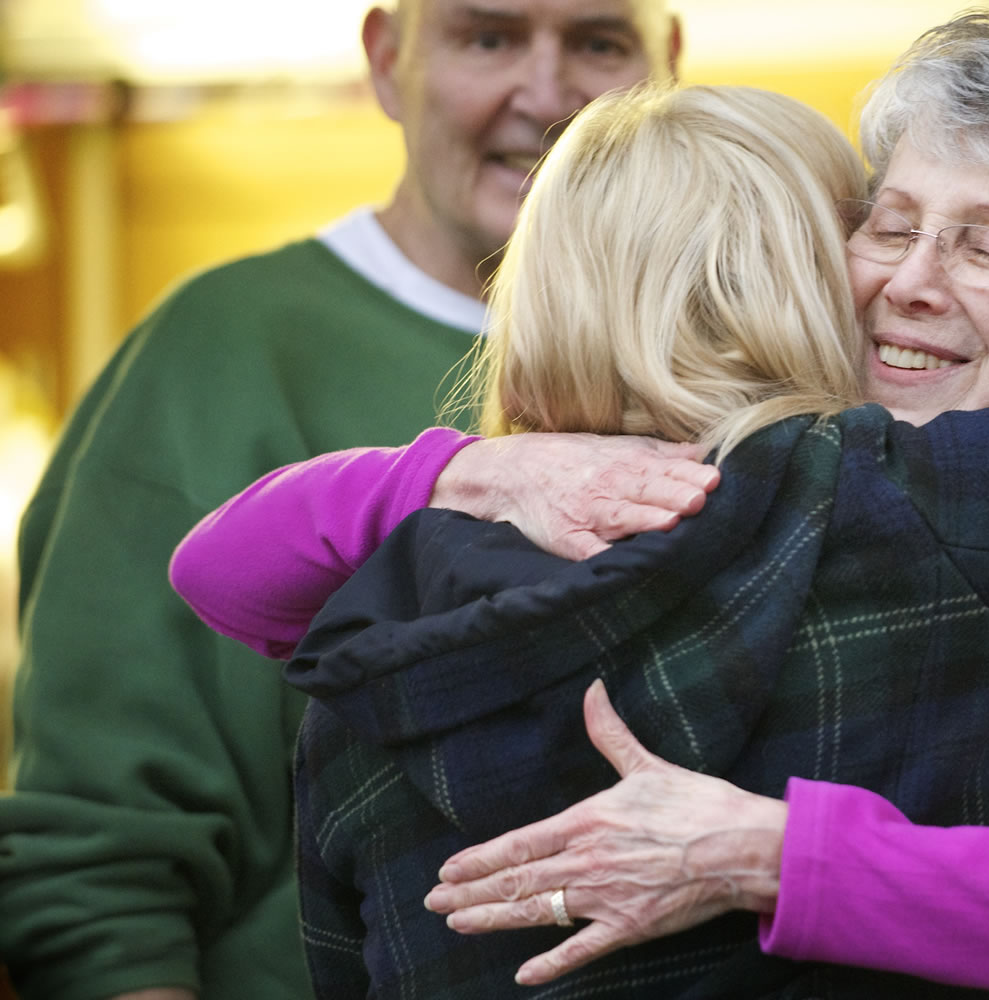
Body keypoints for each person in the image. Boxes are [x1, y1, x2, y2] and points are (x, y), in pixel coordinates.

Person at [172, 14, 989, 998]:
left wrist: (761, 852)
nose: (910, 284)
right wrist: (464, 469)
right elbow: (228, 573)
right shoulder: (719, 501)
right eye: (888, 224)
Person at [0, 3, 700, 999]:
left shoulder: (741, 369)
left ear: (664, 68)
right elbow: (101, 871)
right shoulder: (219, 354)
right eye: (487, 37)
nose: (546, 96)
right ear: (386, 59)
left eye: (597, 42)